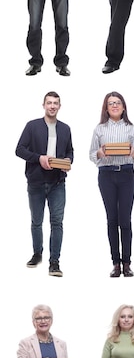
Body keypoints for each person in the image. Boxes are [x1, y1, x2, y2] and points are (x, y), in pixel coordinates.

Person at [16, 91, 73, 278]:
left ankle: (54, 262)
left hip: (57, 182)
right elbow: (19, 150)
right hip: (36, 182)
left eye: (56, 103)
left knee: (57, 222)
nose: (52, 106)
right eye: (49, 103)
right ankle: (37, 254)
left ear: (60, 106)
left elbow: (70, 151)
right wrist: (38, 158)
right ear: (43, 105)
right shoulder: (32, 126)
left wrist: (67, 162)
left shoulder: (65, 128)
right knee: (36, 221)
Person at [89, 92, 134, 278]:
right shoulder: (99, 129)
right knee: (112, 219)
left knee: (125, 220)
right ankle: (115, 263)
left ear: (123, 106)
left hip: (126, 174)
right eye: (111, 103)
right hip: (106, 175)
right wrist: (100, 154)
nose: (114, 106)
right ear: (106, 107)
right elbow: (91, 154)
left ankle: (127, 263)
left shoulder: (132, 129)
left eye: (117, 103)